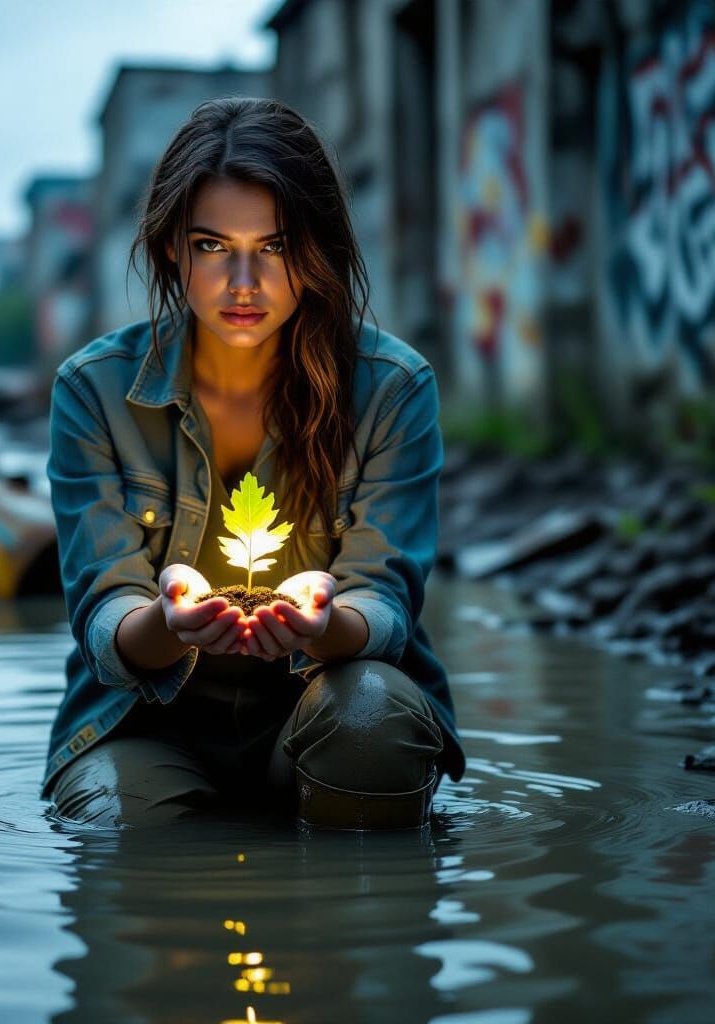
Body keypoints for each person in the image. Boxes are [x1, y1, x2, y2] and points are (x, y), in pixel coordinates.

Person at [42, 96, 465, 830]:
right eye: (213, 245)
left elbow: (386, 601)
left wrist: (321, 622)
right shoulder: (93, 390)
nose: (244, 282)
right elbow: (103, 613)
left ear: (316, 252)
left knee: (373, 726)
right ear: (172, 245)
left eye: (273, 247)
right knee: (120, 831)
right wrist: (169, 622)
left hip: (324, 709)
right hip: (144, 723)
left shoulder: (394, 388)